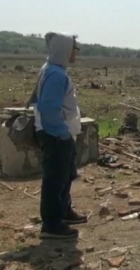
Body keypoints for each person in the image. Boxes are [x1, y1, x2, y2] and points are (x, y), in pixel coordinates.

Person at [30, 32, 86, 239]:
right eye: (74, 49)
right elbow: (48, 109)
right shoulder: (56, 75)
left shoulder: (53, 70)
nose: (76, 53)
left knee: (65, 174)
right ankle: (52, 225)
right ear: (65, 50)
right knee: (55, 179)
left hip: (61, 133)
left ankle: (64, 211)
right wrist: (61, 133)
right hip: (55, 134)